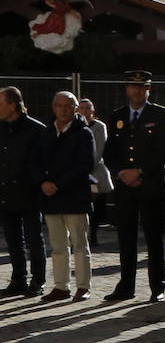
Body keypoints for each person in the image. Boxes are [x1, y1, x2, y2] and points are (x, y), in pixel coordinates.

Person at [102, 70, 165, 303]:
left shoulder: (160, 114)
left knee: (154, 238)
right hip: (125, 187)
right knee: (126, 239)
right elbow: (110, 152)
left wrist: (140, 171)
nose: (136, 91)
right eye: (132, 87)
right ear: (126, 89)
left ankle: (157, 286)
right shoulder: (117, 116)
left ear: (148, 89)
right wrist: (122, 172)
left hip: (150, 185)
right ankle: (126, 286)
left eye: (141, 87)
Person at [39, 91, 95, 303]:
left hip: (75, 197)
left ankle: (83, 286)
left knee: (80, 244)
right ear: (54, 108)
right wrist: (42, 182)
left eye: (68, 106)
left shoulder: (84, 133)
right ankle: (61, 287)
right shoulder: (46, 133)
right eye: (60, 105)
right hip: (51, 198)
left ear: (75, 109)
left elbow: (85, 165)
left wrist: (58, 184)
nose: (64, 109)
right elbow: (34, 162)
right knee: (58, 245)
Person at [0, 86, 47, 298]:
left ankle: (38, 280)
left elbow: (40, 163)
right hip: (5, 192)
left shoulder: (36, 129)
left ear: (13, 105)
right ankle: (18, 279)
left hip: (29, 193)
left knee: (33, 239)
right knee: (12, 240)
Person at [77, 97, 113, 247]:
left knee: (96, 206)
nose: (85, 111)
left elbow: (100, 149)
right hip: (77, 171)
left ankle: (93, 233)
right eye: (82, 108)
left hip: (95, 170)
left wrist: (88, 167)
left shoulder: (99, 127)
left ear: (93, 111)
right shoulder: (74, 126)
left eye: (88, 108)